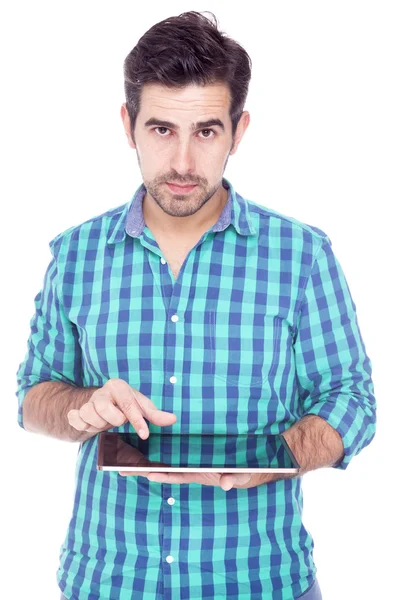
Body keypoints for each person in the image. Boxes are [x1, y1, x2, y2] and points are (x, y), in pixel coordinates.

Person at [16, 10, 376, 600]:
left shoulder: (303, 255)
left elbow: (352, 400)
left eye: (206, 131)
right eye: (162, 130)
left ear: (239, 130)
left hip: (259, 581)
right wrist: (86, 405)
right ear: (128, 124)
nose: (183, 163)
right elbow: (34, 397)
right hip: (109, 581)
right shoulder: (76, 254)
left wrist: (277, 456)